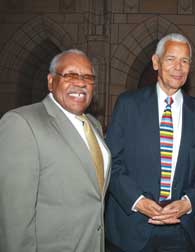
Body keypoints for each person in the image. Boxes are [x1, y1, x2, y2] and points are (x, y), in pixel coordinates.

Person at [105, 33, 195, 252]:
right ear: (156, 63)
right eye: (171, 59)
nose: (178, 67)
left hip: (180, 230)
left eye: (185, 61)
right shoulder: (128, 105)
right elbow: (113, 160)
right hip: (131, 228)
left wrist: (188, 203)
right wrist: (138, 201)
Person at [0, 49, 111, 252]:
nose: (80, 83)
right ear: (51, 81)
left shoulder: (93, 125)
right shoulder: (22, 123)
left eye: (87, 77)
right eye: (70, 75)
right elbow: (14, 219)